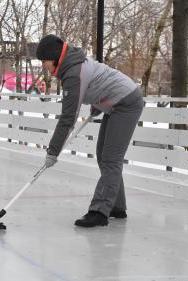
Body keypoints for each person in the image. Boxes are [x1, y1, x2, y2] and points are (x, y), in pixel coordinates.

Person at [36, 34, 144, 227]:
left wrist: (53, 151)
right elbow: (97, 80)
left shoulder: (72, 72)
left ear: (54, 57)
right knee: (103, 155)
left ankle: (100, 211)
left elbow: (68, 119)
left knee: (111, 158)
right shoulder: (73, 64)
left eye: (44, 61)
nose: (43, 65)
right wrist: (98, 102)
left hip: (126, 103)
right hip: (115, 102)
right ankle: (116, 206)